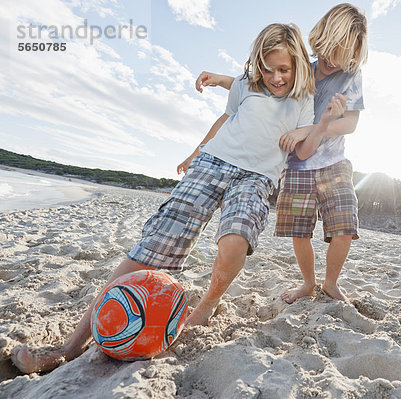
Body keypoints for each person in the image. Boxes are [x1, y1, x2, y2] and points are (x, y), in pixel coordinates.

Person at [11, 22, 345, 374]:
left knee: (235, 241)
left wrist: (320, 125)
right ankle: (70, 346)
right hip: (212, 163)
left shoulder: (302, 99)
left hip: (257, 178)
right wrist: (195, 151)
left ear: (297, 65)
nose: (275, 77)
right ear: (256, 64)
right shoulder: (246, 85)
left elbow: (305, 152)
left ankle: (207, 305)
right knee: (154, 245)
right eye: (267, 68)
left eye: (284, 69)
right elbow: (226, 119)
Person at [195, 3, 368, 303]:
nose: (329, 60)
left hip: (333, 163)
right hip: (296, 166)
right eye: (326, 49)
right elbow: (259, 87)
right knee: (299, 231)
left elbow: (351, 123)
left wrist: (309, 130)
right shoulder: (302, 70)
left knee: (344, 226)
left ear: (354, 55)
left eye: (340, 54)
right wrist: (222, 80)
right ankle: (308, 283)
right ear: (319, 38)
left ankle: (331, 283)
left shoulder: (352, 76)